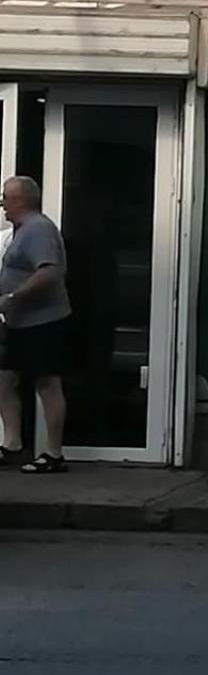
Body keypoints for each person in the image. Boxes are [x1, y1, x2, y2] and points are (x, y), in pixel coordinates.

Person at [0, 176, 71, 472]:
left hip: (43, 321)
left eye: (5, 197)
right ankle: (12, 444)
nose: (2, 203)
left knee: (47, 382)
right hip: (19, 323)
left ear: (20, 200)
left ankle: (53, 453)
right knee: (5, 379)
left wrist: (14, 296)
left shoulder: (38, 229)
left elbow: (49, 272)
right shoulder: (19, 231)